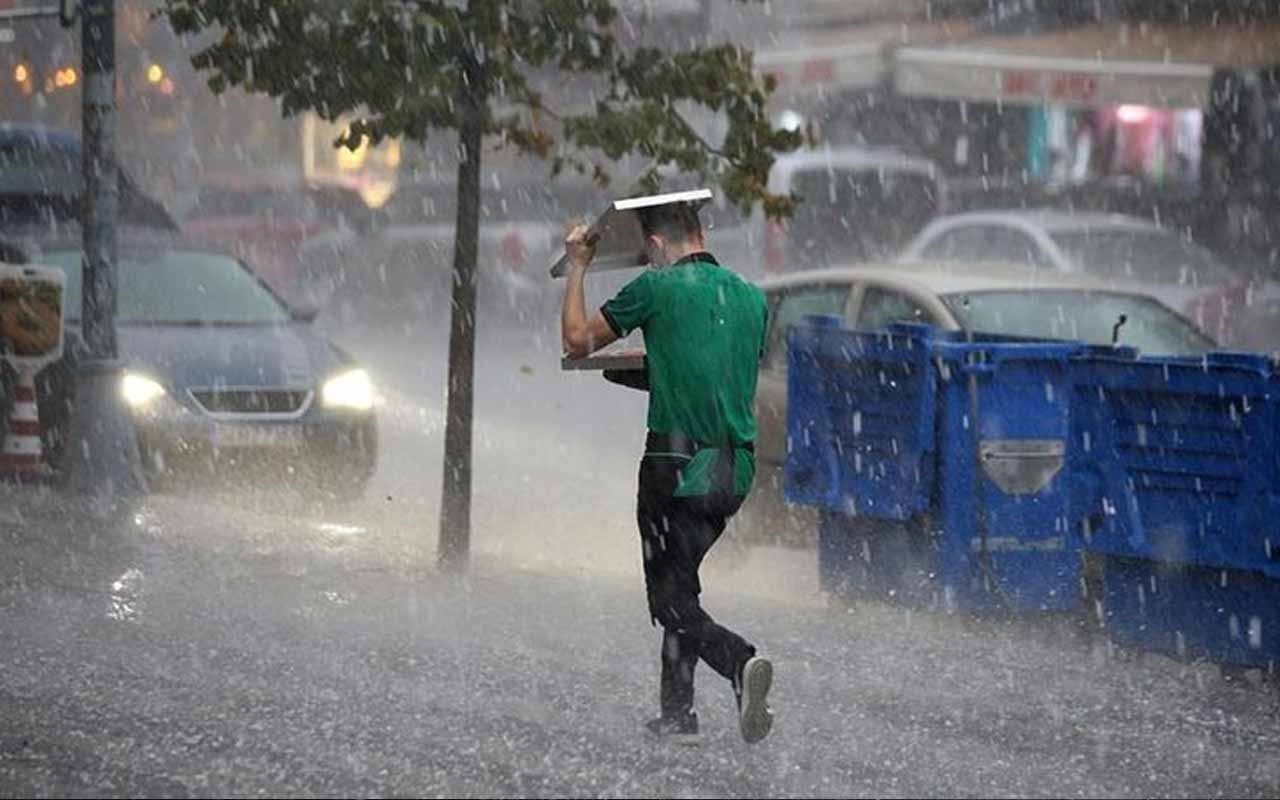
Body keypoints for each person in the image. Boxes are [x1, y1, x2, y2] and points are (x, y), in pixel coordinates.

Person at [560, 200, 775, 744]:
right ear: (701, 231)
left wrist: (579, 264)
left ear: (654, 245)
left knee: (669, 599)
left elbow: (576, 340)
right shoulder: (751, 298)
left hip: (674, 467)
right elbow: (714, 373)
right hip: (733, 472)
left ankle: (737, 661)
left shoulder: (655, 289)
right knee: (682, 583)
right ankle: (677, 714)